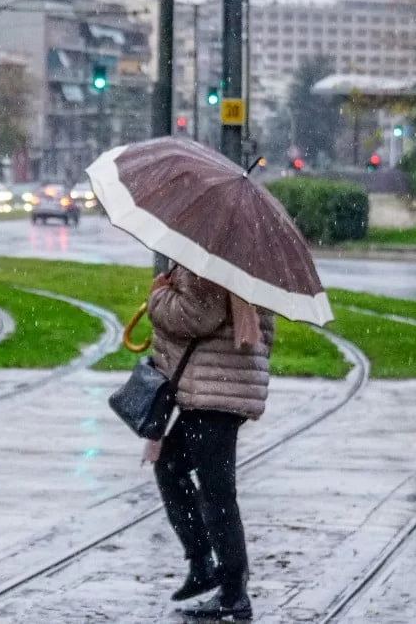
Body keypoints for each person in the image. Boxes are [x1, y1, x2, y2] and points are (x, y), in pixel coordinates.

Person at [143, 263, 275, 620]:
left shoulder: (209, 262)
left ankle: (232, 592)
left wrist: (158, 296)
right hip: (223, 383)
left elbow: (197, 316)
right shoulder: (246, 261)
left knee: (217, 492)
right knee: (171, 465)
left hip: (215, 389)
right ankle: (203, 564)